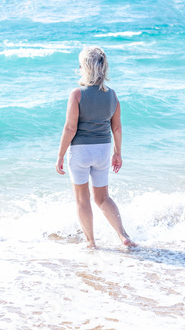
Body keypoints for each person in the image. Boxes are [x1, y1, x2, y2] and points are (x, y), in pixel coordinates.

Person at [55, 46, 136, 249]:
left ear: (85, 67)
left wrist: (60, 155)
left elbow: (70, 127)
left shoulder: (77, 94)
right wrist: (118, 152)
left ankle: (91, 242)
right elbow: (116, 127)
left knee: (83, 199)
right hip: (103, 150)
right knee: (103, 198)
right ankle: (123, 235)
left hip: (81, 152)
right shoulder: (113, 95)